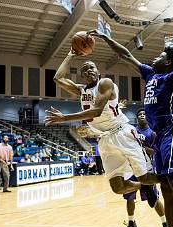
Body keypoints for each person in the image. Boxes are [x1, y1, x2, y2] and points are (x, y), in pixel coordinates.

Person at [88, 2, 173, 227]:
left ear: (169, 62)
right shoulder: (150, 74)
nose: (155, 56)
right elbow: (126, 54)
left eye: (161, 55)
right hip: (160, 133)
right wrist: (104, 37)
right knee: (164, 183)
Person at [45, 38, 159, 207]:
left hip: (122, 133)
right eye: (85, 69)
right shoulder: (82, 90)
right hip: (104, 139)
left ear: (97, 71)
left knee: (145, 176)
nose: (88, 70)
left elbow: (96, 111)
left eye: (91, 67)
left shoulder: (105, 83)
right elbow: (57, 78)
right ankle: (144, 187)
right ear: (83, 75)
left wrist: (65, 118)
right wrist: (70, 55)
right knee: (118, 187)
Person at [121, 109, 167, 227]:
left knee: (154, 198)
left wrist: (140, 148)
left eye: (144, 114)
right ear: (137, 118)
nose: (142, 115)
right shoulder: (131, 131)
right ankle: (131, 222)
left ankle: (165, 224)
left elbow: (154, 152)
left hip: (146, 168)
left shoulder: (152, 133)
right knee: (129, 197)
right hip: (130, 169)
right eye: (140, 114)